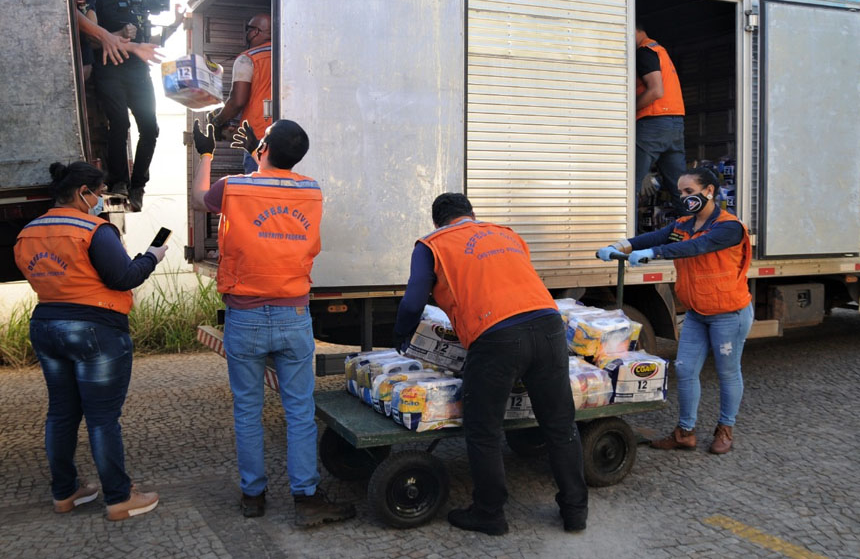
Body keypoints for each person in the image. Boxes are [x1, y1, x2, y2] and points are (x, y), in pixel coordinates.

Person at [190, 118, 355, 526]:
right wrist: (255, 154)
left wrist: (206, 152)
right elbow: (272, 187)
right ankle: (307, 497)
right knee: (299, 410)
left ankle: (253, 495)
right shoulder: (312, 190)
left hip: (244, 316)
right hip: (293, 313)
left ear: (262, 148)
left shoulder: (233, 187)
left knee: (248, 409)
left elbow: (199, 198)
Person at [393, 193, 588, 536]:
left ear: (437, 222)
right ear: (472, 214)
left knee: (483, 430)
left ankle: (489, 513)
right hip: (548, 326)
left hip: (495, 335)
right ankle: (575, 511)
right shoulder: (506, 233)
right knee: (560, 425)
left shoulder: (431, 245)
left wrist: (401, 336)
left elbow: (412, 302)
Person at [13, 161, 168, 520]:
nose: (100, 200)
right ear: (83, 193)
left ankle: (65, 494)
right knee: (102, 419)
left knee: (61, 413)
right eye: (98, 194)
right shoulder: (94, 229)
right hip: (96, 330)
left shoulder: (28, 232)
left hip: (46, 325)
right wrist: (152, 256)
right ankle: (118, 498)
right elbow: (124, 277)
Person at [597, 167, 753, 454]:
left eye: (689, 192)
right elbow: (655, 237)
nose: (684, 197)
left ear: (710, 191)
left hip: (728, 313)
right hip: (696, 312)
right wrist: (620, 246)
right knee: (684, 369)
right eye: (681, 192)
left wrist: (654, 255)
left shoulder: (728, 227)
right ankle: (685, 432)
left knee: (727, 372)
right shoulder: (683, 224)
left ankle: (725, 429)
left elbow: (697, 247)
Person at [93, 0, 178, 210]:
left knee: (150, 128)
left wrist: (176, 24)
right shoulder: (101, 0)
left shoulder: (139, 6)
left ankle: (137, 186)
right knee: (120, 123)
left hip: (138, 73)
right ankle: (120, 181)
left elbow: (149, 42)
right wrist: (119, 34)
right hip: (110, 69)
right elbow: (90, 38)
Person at [209, 13, 272, 174]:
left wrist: (218, 121)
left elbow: (238, 101)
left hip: (258, 136)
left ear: (256, 32)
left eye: (248, 29)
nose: (247, 34)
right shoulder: (289, 55)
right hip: (287, 135)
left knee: (257, 188)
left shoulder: (248, 59)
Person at [635, 21, 686, 212]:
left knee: (631, 185)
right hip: (675, 124)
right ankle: (690, 235)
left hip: (653, 122)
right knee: (681, 188)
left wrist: (628, 112)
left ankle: (632, 240)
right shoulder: (660, 51)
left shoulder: (644, 51)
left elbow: (656, 90)